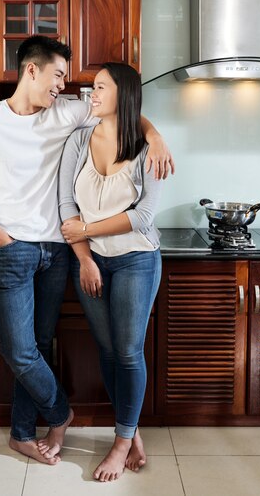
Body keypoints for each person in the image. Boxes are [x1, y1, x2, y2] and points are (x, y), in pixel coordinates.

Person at [0, 35, 174, 466]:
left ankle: (22, 433)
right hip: (14, 249)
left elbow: (123, 110)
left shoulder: (68, 111)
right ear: (31, 70)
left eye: (68, 79)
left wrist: (156, 134)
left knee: (39, 343)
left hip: (58, 251)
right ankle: (60, 412)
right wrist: (2, 240)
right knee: (19, 351)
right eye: (58, 76)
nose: (65, 86)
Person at [58, 62, 164, 482]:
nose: (92, 94)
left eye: (100, 87)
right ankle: (131, 429)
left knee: (128, 351)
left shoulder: (147, 148)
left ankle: (120, 443)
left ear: (122, 92)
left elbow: (143, 217)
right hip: (89, 260)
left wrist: (85, 229)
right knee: (106, 349)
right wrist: (84, 256)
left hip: (137, 258)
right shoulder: (79, 138)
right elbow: (67, 206)